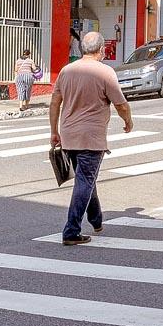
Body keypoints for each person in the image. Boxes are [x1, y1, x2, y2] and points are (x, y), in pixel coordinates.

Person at [50, 30, 134, 245]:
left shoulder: (66, 71)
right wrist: (128, 121)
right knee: (85, 180)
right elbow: (121, 104)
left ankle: (96, 219)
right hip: (91, 136)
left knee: (85, 178)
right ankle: (71, 231)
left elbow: (54, 103)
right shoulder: (105, 72)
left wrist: (54, 131)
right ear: (102, 50)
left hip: (69, 135)